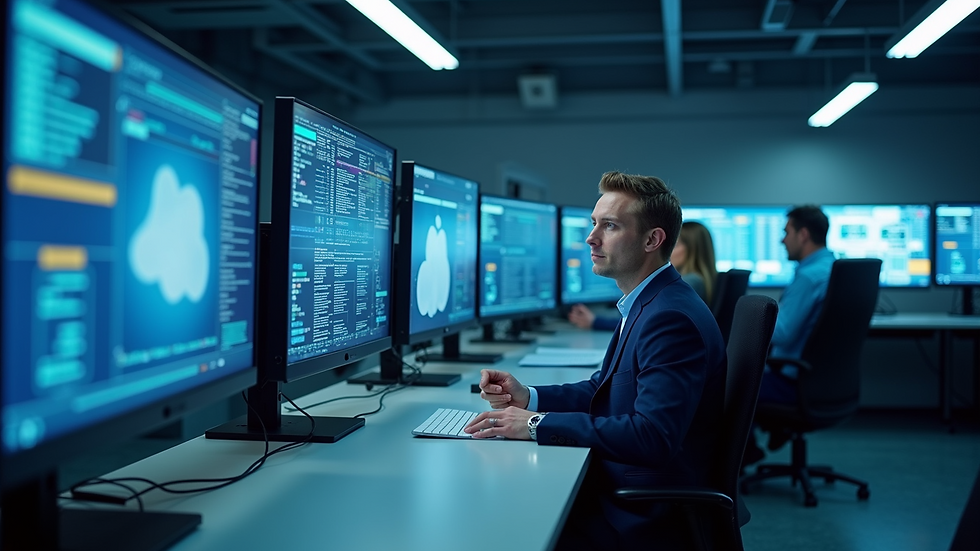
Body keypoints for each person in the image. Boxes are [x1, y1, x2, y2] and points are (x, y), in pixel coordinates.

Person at [464, 171, 727, 551]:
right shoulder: (648, 302)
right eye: (593, 224)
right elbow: (602, 389)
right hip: (623, 488)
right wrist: (529, 398)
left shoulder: (670, 317)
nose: (591, 238)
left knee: (499, 521)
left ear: (653, 239)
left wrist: (536, 425)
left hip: (641, 511)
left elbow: (652, 437)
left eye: (610, 226)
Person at [744, 204, 835, 463]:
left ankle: (742, 454)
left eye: (786, 232)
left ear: (803, 234)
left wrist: (746, 320)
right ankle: (771, 431)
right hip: (823, 381)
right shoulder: (833, 269)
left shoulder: (810, 277)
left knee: (724, 378)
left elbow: (782, 333)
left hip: (794, 382)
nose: (782, 240)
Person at [567, 220, 717, 331]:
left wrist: (595, 322)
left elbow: (643, 319)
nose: (668, 251)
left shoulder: (689, 283)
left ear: (693, 250)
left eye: (675, 245)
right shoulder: (696, 280)